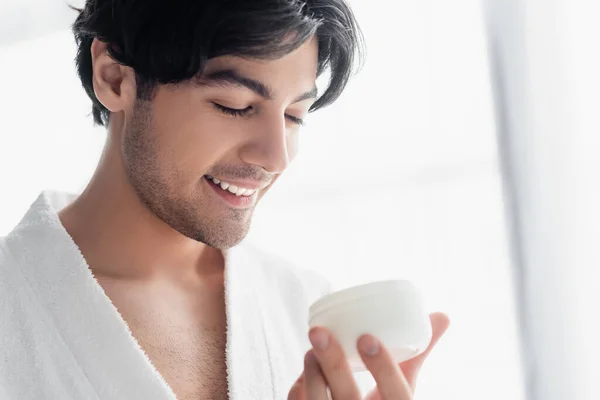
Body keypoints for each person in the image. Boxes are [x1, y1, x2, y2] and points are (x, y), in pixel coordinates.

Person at [0, 0, 449, 399]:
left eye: (295, 115)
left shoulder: (304, 310)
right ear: (115, 77)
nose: (276, 157)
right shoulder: (14, 310)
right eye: (235, 105)